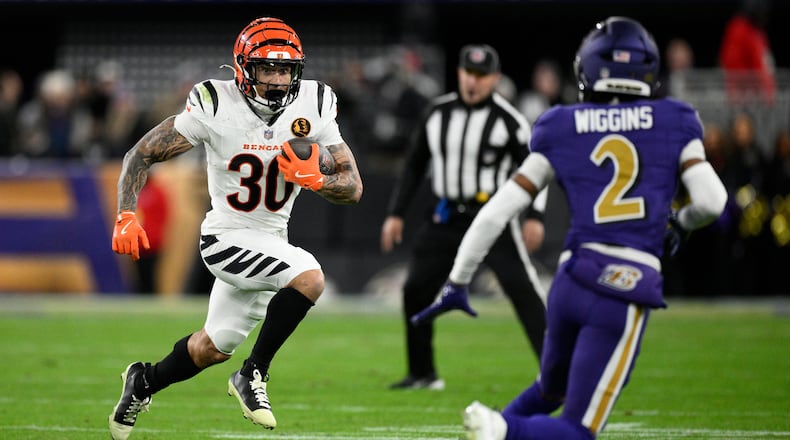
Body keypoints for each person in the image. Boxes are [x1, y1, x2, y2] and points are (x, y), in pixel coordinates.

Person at [412, 17, 728, 439]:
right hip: (625, 283)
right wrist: (681, 224)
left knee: (549, 388)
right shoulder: (674, 119)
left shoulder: (563, 124)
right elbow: (711, 201)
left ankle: (496, 429)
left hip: (572, 278)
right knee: (578, 432)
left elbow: (495, 213)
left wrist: (458, 281)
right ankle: (501, 431)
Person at [107, 17, 363, 440]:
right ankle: (254, 374)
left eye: (286, 69)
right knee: (310, 277)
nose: (279, 79)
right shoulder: (213, 102)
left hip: (270, 241)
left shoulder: (315, 103)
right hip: (225, 237)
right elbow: (141, 153)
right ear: (245, 68)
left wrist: (317, 179)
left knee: (212, 348)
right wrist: (125, 213)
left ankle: (143, 381)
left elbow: (352, 187)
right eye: (268, 68)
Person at [381, 43, 547, 391]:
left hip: (491, 218)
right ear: (458, 73)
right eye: (468, 73)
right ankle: (422, 373)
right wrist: (396, 213)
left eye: (482, 75)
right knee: (415, 290)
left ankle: (555, 372)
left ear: (495, 78)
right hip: (444, 216)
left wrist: (536, 215)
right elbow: (414, 165)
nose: (474, 81)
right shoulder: (437, 113)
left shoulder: (508, 120)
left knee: (523, 292)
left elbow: (538, 167)